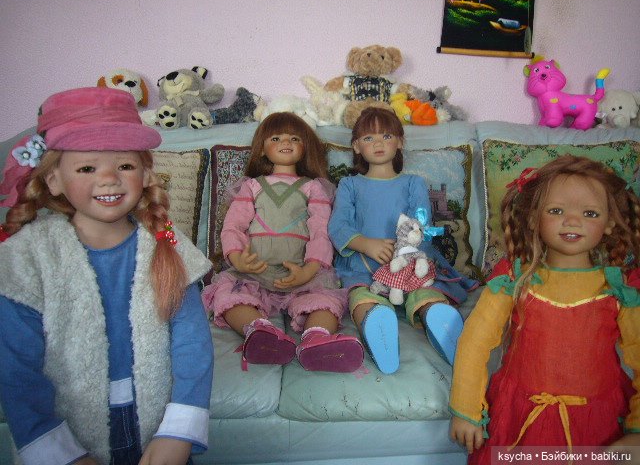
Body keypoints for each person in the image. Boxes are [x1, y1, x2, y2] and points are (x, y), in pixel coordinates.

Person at [0, 87, 214, 465]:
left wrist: (179, 430)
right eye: (87, 168)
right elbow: (16, 371)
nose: (109, 179)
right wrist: (57, 452)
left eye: (125, 166)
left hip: (158, 429)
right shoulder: (27, 257)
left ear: (145, 173)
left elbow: (193, 343)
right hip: (69, 435)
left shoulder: (166, 240)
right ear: (54, 180)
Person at [449, 154, 640, 463]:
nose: (573, 221)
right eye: (556, 210)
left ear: (609, 224)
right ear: (534, 218)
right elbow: (475, 341)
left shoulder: (620, 289)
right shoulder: (514, 280)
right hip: (521, 421)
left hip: (598, 425)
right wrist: (465, 410)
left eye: (590, 213)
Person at [201, 112, 364, 373]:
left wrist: (311, 268)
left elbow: (321, 230)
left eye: (294, 138)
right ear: (262, 149)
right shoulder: (252, 187)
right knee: (229, 296)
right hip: (254, 272)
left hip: (303, 274)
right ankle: (259, 332)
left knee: (325, 302)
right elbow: (234, 226)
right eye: (275, 138)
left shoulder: (312, 187)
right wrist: (237, 257)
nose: (285, 142)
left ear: (304, 147)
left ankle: (317, 338)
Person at [328, 107, 478, 374]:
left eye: (386, 136)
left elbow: (421, 224)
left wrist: (404, 251)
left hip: (408, 264)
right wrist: (366, 243)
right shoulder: (350, 185)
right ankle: (376, 326)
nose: (378, 143)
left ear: (399, 142)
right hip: (365, 267)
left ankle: (438, 320)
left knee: (426, 292)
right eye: (369, 138)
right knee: (362, 297)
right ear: (356, 146)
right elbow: (338, 225)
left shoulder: (412, 183)